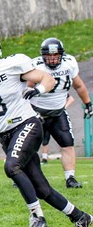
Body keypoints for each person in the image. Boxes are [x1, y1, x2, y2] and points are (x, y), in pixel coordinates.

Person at [0, 32, 92, 227]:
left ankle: (37, 217)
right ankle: (80, 217)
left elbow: (47, 79)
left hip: (27, 124)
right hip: (6, 134)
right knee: (42, 188)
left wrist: (38, 91)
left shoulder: (13, 64)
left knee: (11, 166)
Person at [29, 38, 92, 188]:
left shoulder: (69, 63)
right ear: (43, 55)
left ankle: (70, 178)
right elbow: (27, 88)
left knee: (67, 143)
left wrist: (88, 103)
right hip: (35, 111)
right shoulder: (35, 65)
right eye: (49, 56)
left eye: (55, 55)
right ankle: (23, 176)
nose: (52, 59)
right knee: (28, 146)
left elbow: (79, 85)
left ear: (61, 55)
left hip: (58, 112)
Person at [40, 95, 74, 164]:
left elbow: (71, 99)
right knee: (44, 139)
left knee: (64, 140)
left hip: (56, 117)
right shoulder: (42, 90)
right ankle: (44, 158)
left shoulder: (59, 91)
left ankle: (70, 172)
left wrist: (63, 108)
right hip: (43, 117)